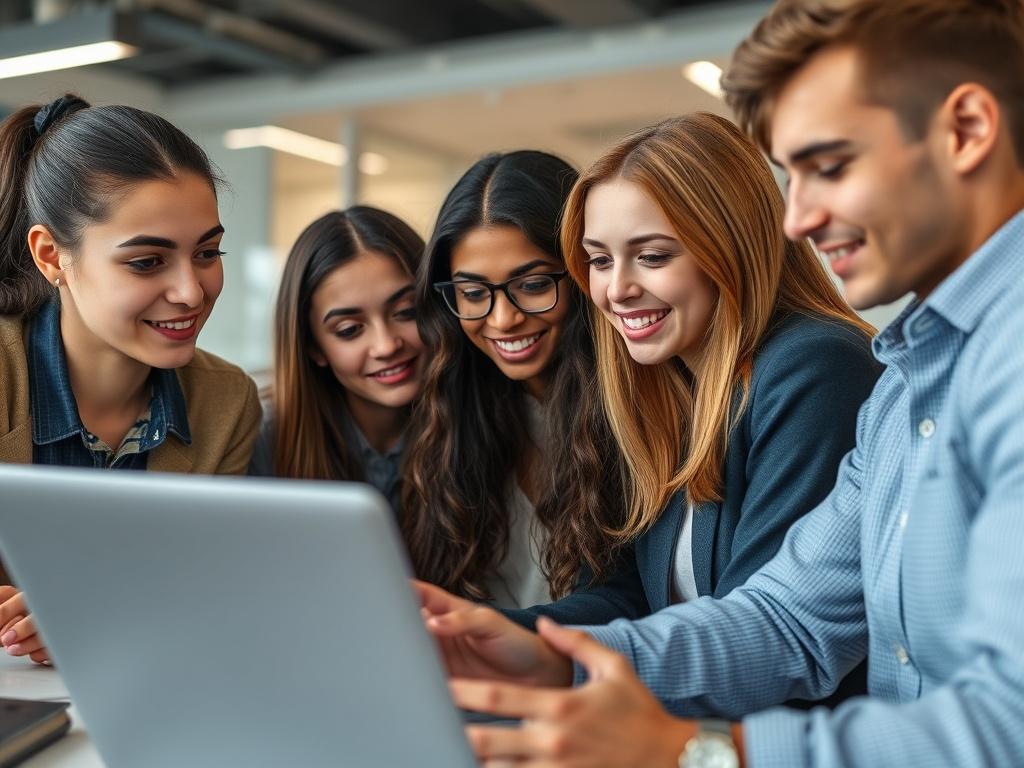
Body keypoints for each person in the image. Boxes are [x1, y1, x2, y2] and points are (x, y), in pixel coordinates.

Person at [416, 1, 1024, 765]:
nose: (797, 218)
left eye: (830, 166)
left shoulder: (952, 365)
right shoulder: (906, 385)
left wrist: (693, 753)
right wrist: (556, 659)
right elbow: (788, 622)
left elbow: (1007, 727)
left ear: (966, 131)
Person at [501, 116, 879, 698]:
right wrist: (496, 640)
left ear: (728, 249)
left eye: (650, 256)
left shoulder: (814, 366)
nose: (616, 289)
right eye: (599, 260)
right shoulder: (666, 382)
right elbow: (623, 594)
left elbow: (761, 639)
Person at [0, 94, 261, 665]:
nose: (192, 292)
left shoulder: (227, 401)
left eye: (208, 252)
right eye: (147, 261)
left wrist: (91, 610)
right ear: (51, 257)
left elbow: (199, 590)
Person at [402, 150, 627, 609]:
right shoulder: (451, 412)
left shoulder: (634, 411)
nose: (503, 320)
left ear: (584, 273)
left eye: (533, 284)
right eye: (472, 293)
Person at [247, 207, 425, 512]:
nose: (385, 346)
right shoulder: (261, 439)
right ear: (314, 347)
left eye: (406, 312)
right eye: (350, 330)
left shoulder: (485, 421)